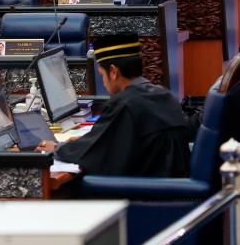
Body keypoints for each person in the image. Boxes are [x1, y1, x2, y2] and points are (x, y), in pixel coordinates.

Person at [38, 35, 190, 177]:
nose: (103, 82)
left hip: (143, 192)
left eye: (102, 74)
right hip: (171, 187)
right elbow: (115, 141)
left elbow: (98, 153)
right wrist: (89, 140)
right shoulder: (163, 94)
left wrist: (57, 148)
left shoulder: (125, 103)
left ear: (113, 71)